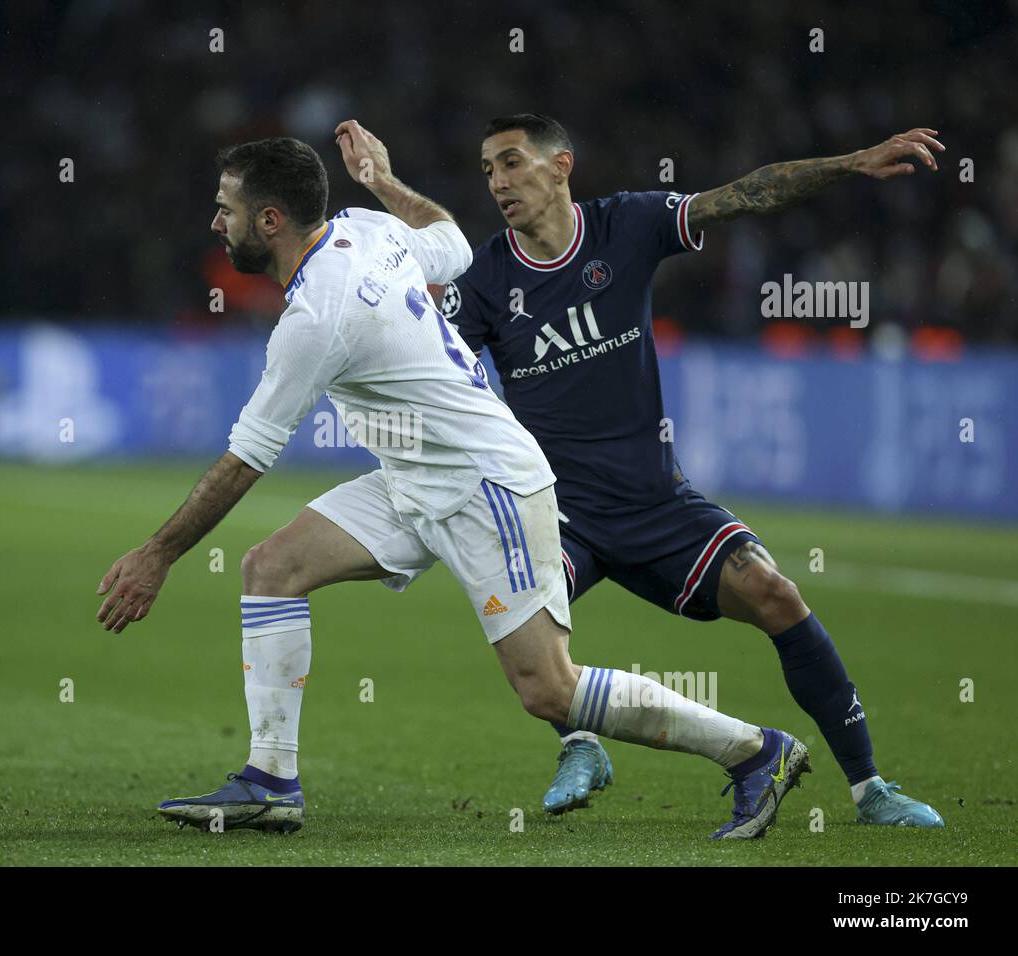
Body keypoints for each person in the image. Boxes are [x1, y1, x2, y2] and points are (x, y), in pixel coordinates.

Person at [94, 124, 809, 840]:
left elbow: (247, 457)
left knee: (547, 689)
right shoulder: (366, 228)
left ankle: (753, 751)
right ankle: (271, 779)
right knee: (270, 568)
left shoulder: (316, 316)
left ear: (270, 221)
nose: (217, 222)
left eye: (226, 209)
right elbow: (453, 241)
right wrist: (382, 179)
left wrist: (157, 555)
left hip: (482, 482)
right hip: (413, 477)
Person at [441, 112, 944, 828]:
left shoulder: (627, 226)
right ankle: (581, 742)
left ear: (561, 166)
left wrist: (853, 162)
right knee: (525, 646)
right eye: (488, 168)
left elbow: (746, 194)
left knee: (775, 594)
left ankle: (871, 790)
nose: (498, 181)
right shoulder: (486, 277)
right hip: (555, 509)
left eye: (513, 162)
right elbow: (436, 371)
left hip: (654, 501)